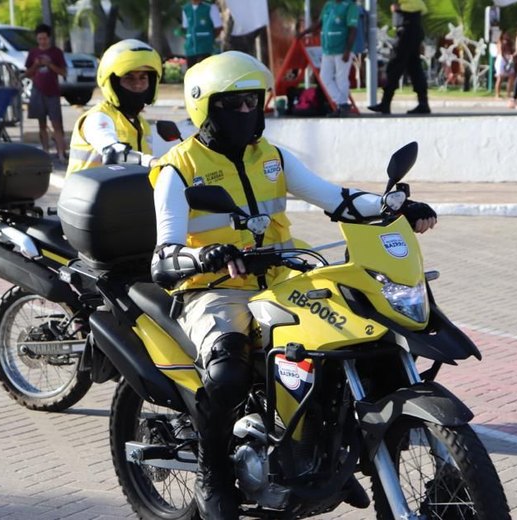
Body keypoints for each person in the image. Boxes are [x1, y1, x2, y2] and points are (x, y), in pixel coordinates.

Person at [148, 51, 438, 519]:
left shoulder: (272, 157)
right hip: (215, 288)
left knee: (353, 344)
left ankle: (327, 452)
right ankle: (213, 474)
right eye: (234, 104)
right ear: (206, 107)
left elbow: (336, 199)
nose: (247, 112)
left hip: (283, 279)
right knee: (227, 374)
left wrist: (393, 207)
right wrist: (204, 255)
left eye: (253, 102)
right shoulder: (178, 168)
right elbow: (164, 255)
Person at [66, 40, 162, 176]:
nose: (137, 85)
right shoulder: (98, 117)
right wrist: (151, 162)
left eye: (143, 78)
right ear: (114, 83)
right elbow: (113, 152)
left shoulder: (142, 126)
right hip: (86, 189)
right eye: (129, 78)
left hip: (122, 189)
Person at [368, 1, 431, 115]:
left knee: (395, 66)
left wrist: (399, 7)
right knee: (414, 67)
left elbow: (416, 6)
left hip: (407, 29)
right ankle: (423, 103)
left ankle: (386, 103)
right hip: (410, 28)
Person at [298, 0, 360, 116]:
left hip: (342, 49)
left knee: (341, 78)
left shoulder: (350, 6)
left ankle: (341, 107)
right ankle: (342, 104)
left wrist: (348, 50)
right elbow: (319, 23)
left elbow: (353, 29)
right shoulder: (328, 5)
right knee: (324, 77)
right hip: (327, 49)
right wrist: (303, 33)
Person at [25, 24, 67, 163]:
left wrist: (50, 64)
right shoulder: (33, 52)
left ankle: (61, 153)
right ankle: (45, 152)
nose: (42, 41)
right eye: (40, 39)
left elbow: (63, 72)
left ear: (49, 38)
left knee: (56, 124)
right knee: (41, 124)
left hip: (53, 92)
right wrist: (36, 65)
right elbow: (27, 73)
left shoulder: (56, 52)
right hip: (38, 91)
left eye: (44, 38)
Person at [183, 0, 223, 68]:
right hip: (190, 48)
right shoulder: (186, 9)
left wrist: (210, 39)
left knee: (206, 70)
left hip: (205, 48)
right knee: (192, 71)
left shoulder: (210, 7)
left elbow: (218, 27)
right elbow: (186, 27)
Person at [494, 31, 516, 99]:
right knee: (500, 77)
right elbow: (501, 52)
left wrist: (511, 58)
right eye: (505, 34)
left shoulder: (510, 43)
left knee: (512, 75)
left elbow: (512, 51)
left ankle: (508, 93)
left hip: (508, 59)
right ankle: (497, 95)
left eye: (508, 34)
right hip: (501, 60)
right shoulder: (500, 42)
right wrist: (506, 61)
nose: (507, 35)